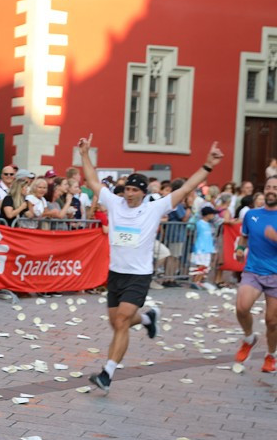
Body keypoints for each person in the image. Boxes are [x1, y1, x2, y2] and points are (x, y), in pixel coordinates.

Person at [80, 134, 223, 392]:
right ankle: (147, 319)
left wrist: (208, 165)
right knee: (116, 322)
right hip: (116, 273)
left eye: (134, 190)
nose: (129, 194)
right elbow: (91, 180)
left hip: (139, 275)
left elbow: (186, 188)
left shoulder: (154, 208)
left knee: (122, 320)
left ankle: (107, 374)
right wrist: (84, 154)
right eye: (127, 190)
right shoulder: (114, 203)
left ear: (144, 193)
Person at [233, 176, 277, 373]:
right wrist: (240, 250)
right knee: (242, 308)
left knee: (272, 321)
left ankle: (271, 355)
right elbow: (244, 238)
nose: (271, 191)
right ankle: (249, 338)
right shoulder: (251, 215)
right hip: (253, 271)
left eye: (275, 188)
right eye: (268, 187)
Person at [189, 206, 217, 288]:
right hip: (201, 247)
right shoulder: (199, 223)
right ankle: (195, 281)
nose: (213, 216)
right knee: (200, 265)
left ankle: (199, 280)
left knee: (206, 265)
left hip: (208, 247)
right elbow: (191, 226)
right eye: (212, 214)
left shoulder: (209, 224)